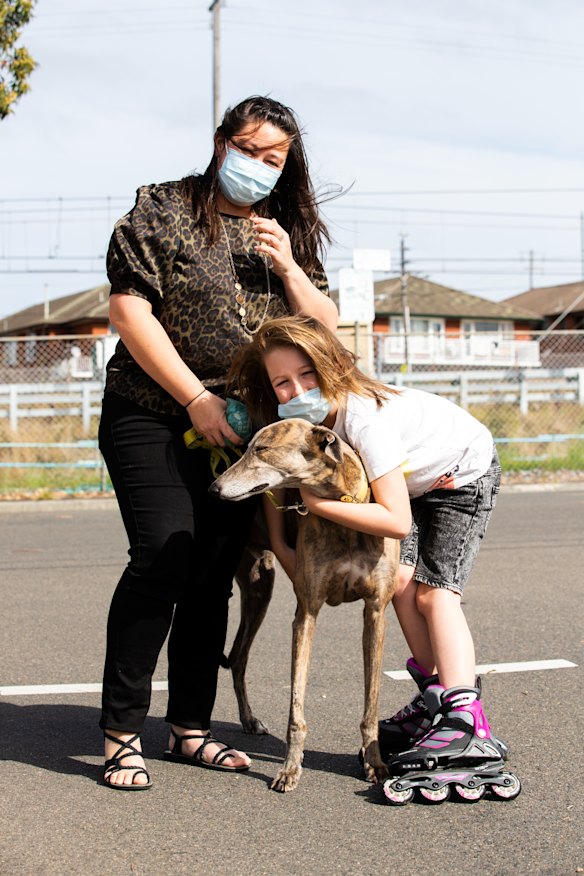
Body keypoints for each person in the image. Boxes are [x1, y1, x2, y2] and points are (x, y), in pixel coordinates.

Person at [98, 96, 337, 790]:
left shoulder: (280, 229)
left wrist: (291, 267)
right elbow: (127, 309)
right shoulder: (164, 209)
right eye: (251, 151)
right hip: (152, 410)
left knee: (212, 572)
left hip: (243, 430)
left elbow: (324, 330)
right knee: (164, 555)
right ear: (220, 142)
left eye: (275, 159)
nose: (260, 168)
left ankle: (190, 730)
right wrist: (194, 398)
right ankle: (121, 731)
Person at [228, 314, 508, 778]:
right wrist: (279, 541)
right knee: (398, 581)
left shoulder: (364, 422)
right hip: (412, 481)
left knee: (435, 592)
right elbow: (283, 473)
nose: (295, 391)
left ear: (332, 365)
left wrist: (316, 507)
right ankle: (433, 699)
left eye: (306, 374)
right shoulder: (314, 422)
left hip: (462, 472)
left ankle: (465, 719)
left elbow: (396, 521)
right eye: (281, 382)